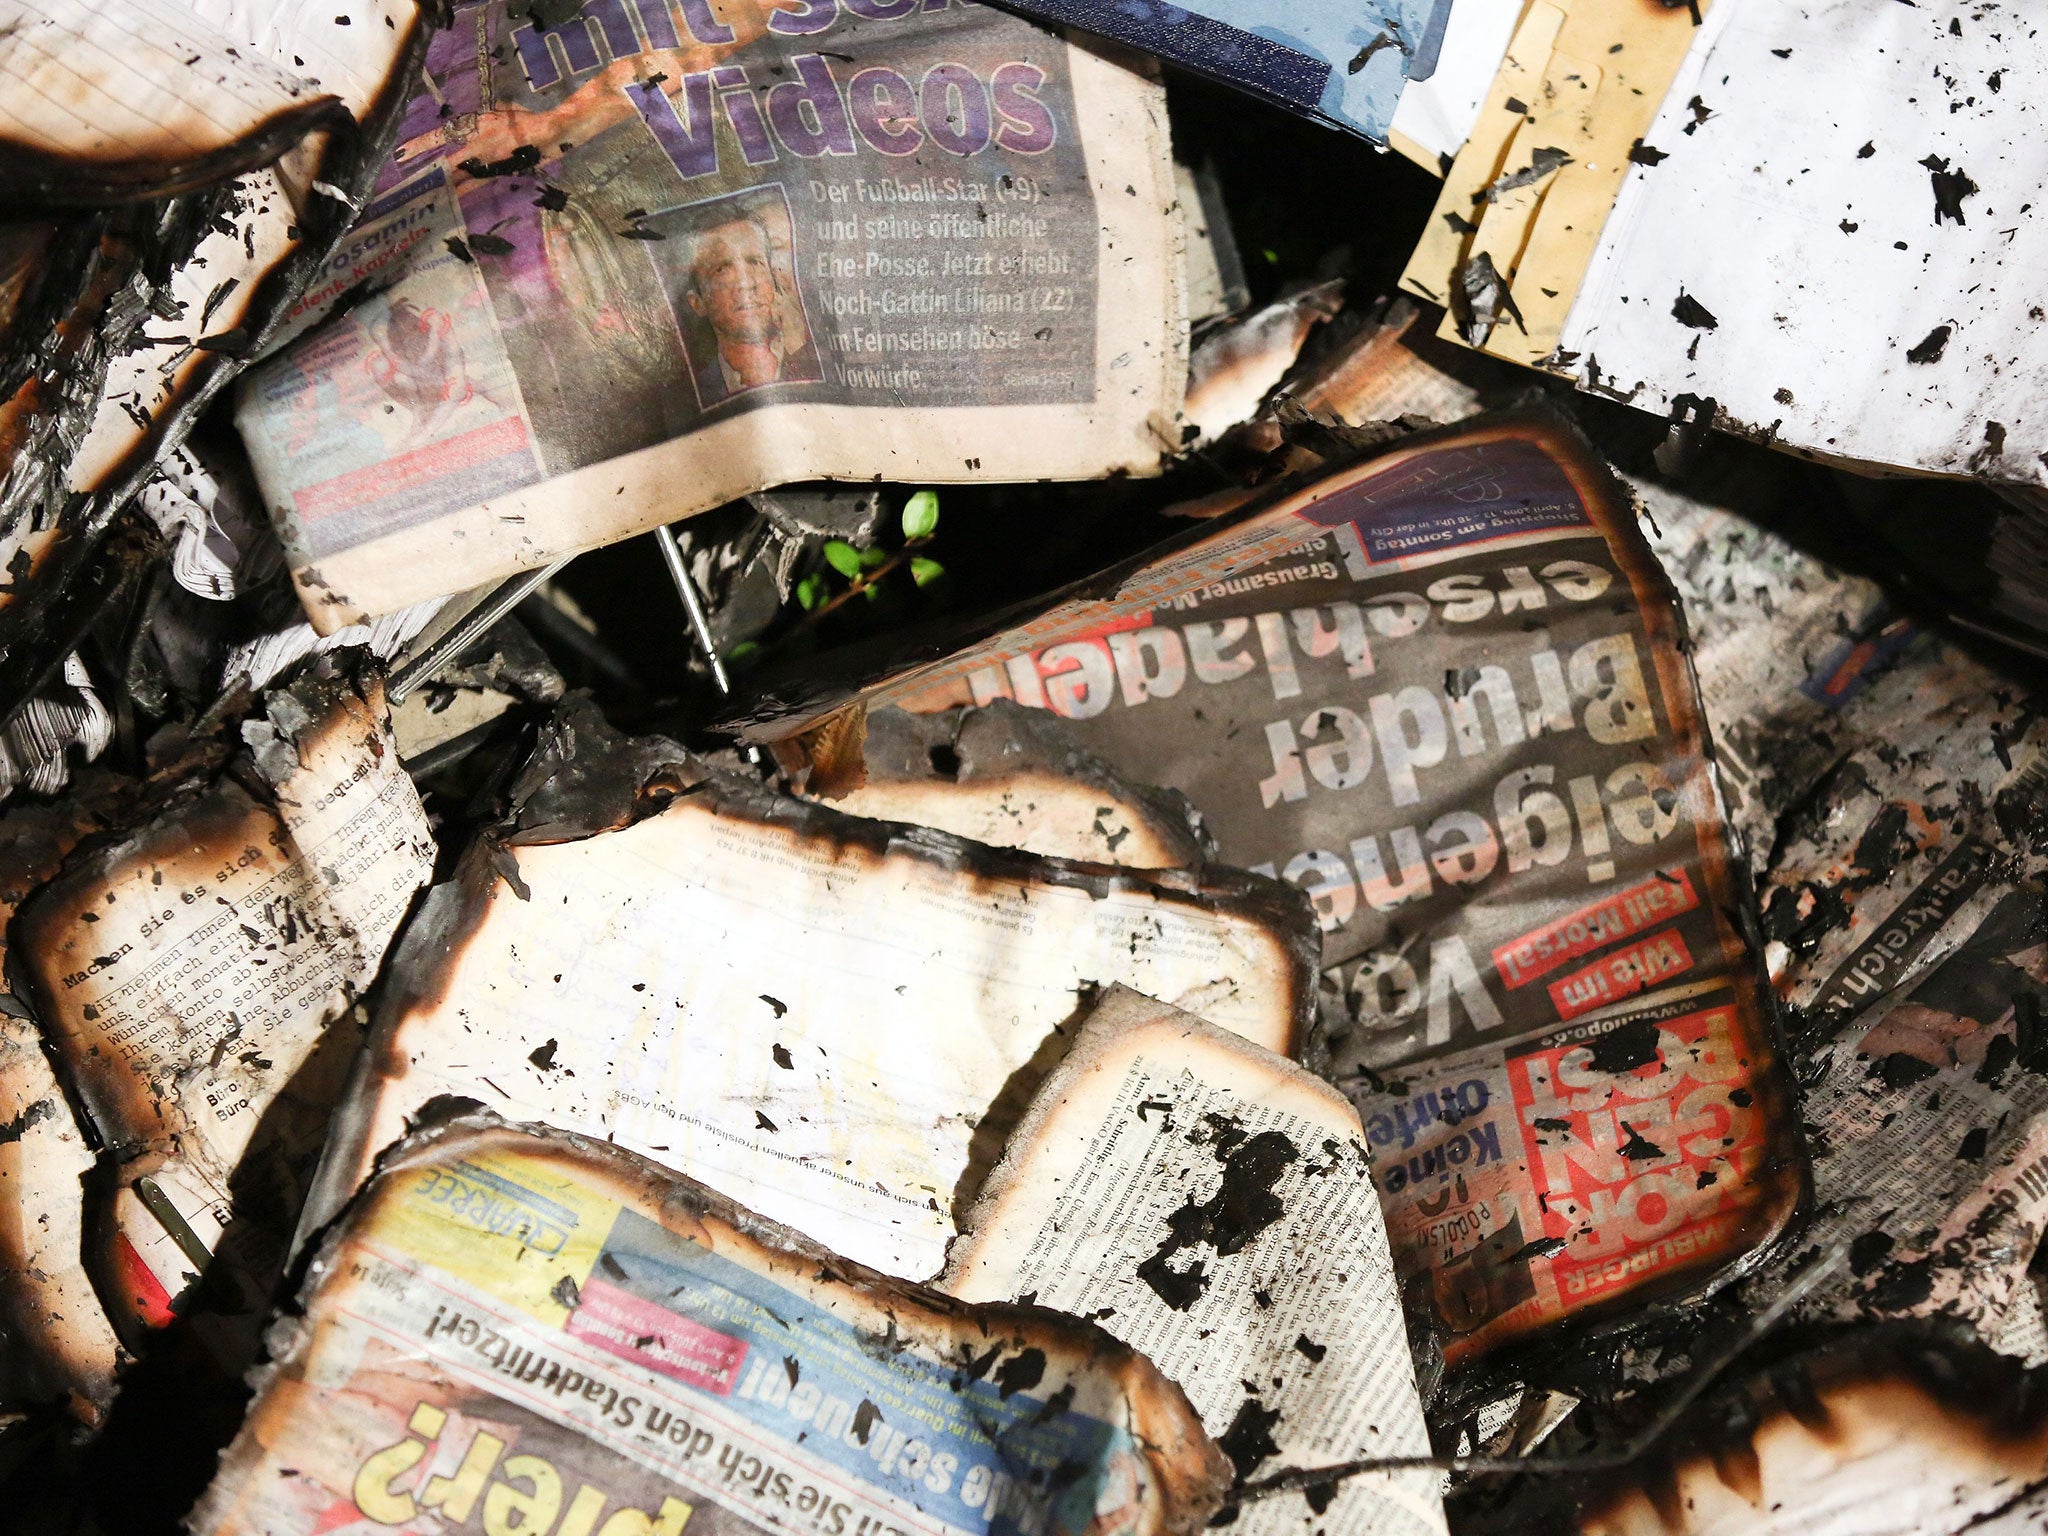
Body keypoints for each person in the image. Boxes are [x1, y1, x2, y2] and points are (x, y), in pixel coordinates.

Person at [683, 212, 819, 406]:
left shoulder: (819, 360)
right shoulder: (685, 399)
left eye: (755, 262)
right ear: (698, 303)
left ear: (772, 278)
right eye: (722, 270)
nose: (746, 284)